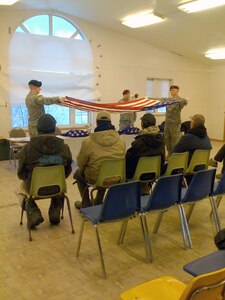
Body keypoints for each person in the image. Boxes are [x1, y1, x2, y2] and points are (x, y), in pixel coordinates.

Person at [17, 114, 72, 228]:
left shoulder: (27, 149)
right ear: (54, 128)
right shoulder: (64, 147)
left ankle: (33, 211)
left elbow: (21, 173)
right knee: (60, 188)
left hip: (34, 188)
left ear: (38, 129)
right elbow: (68, 170)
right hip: (57, 187)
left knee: (19, 189)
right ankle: (55, 210)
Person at [74, 111, 126, 209]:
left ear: (97, 123)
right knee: (105, 171)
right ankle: (98, 200)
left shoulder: (88, 142)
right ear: (110, 122)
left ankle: (86, 203)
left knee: (78, 173)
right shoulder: (121, 141)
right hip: (117, 177)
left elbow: (81, 164)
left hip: (95, 179)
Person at [126, 113, 165, 194]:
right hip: (155, 173)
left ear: (143, 124)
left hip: (138, 175)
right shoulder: (161, 140)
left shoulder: (138, 143)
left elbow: (128, 159)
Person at [149, 85, 188, 157]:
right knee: (167, 139)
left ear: (178, 91)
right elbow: (158, 99)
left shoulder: (180, 100)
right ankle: (169, 153)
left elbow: (185, 103)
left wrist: (186, 100)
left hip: (175, 124)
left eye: (174, 90)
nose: (173, 91)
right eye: (172, 90)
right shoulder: (168, 100)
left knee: (175, 140)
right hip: (167, 123)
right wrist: (148, 98)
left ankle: (174, 155)